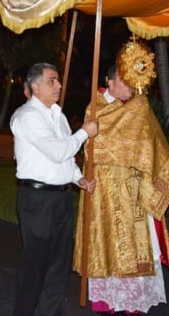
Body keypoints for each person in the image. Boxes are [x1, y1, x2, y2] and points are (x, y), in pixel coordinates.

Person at [73, 65, 169, 315]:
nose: (129, 87)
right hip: (103, 188)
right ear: (110, 81)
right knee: (104, 242)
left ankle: (134, 302)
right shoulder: (95, 108)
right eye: (124, 82)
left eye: (132, 82)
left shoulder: (140, 106)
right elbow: (96, 146)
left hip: (134, 187)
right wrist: (127, 148)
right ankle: (105, 300)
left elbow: (153, 144)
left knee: (134, 246)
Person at [10, 62, 98, 316]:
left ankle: (50, 311)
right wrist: (84, 132)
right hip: (37, 199)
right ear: (35, 86)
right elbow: (58, 151)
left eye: (58, 80)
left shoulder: (57, 115)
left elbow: (66, 161)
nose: (59, 85)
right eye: (52, 81)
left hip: (61, 197)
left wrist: (78, 178)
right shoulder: (27, 116)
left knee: (60, 262)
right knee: (35, 263)